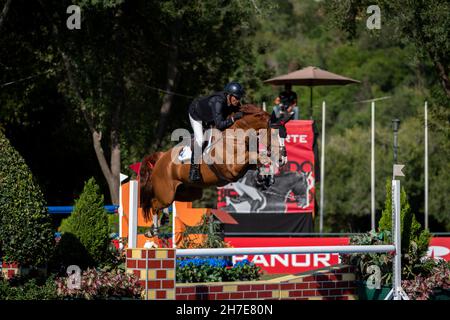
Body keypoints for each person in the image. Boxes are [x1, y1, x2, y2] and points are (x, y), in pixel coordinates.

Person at [187, 81, 245, 182]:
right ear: (229, 95)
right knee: (201, 140)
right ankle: (193, 170)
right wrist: (233, 119)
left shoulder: (232, 101)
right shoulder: (217, 102)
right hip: (197, 115)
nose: (237, 100)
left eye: (239, 98)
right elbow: (220, 125)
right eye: (236, 97)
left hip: (210, 116)